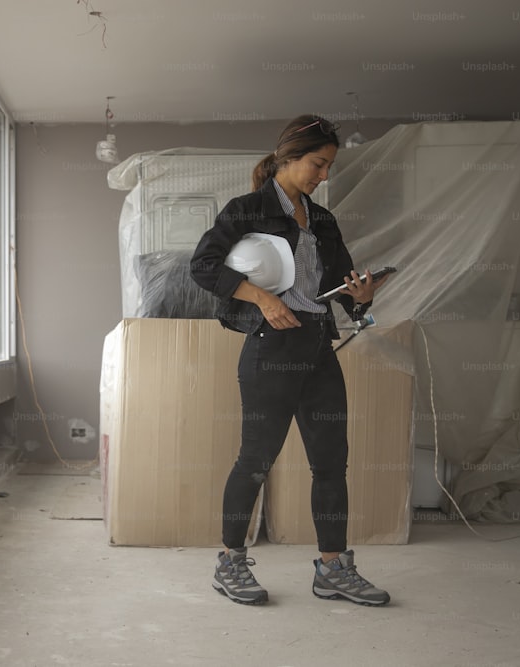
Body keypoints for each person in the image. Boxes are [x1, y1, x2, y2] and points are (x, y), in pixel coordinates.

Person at [190, 114, 391, 606]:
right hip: (271, 347)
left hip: (319, 345)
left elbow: (341, 286)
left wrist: (360, 295)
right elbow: (203, 265)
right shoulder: (248, 209)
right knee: (256, 461)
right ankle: (230, 563)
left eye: (328, 168)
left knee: (330, 463)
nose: (323, 176)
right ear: (289, 156)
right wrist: (260, 298)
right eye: (317, 165)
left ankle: (332, 568)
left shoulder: (322, 220)